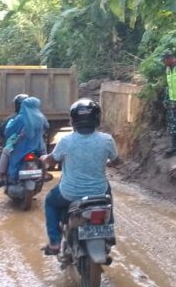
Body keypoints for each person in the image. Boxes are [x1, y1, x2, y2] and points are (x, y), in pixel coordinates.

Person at [40, 98, 120, 255]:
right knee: (108, 196)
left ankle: (55, 242)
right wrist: (109, 162)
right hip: (99, 192)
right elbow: (116, 161)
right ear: (97, 118)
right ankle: (108, 231)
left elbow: (52, 159)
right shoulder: (107, 140)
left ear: (73, 119)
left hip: (69, 193)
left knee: (50, 202)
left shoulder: (66, 141)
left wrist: (45, 159)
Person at [0, 95, 47, 186]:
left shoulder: (19, 118)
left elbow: (8, 131)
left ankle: (0, 175)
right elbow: (47, 127)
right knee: (44, 156)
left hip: (21, 147)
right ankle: (45, 174)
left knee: (6, 151)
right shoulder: (41, 117)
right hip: (38, 146)